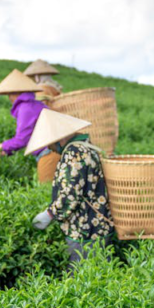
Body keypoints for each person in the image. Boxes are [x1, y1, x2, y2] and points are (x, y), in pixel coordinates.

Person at [25, 109, 114, 271]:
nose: (50, 148)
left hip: (84, 229)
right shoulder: (87, 147)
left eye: (50, 143)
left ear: (60, 138)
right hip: (99, 225)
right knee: (101, 274)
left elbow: (70, 194)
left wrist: (50, 213)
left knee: (80, 278)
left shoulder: (73, 154)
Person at [0, 69, 56, 183]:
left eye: (10, 94)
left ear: (17, 93)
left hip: (50, 152)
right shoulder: (33, 104)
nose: (9, 98)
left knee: (47, 189)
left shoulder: (26, 108)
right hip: (53, 150)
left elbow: (22, 140)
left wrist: (0, 147)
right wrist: (7, 150)